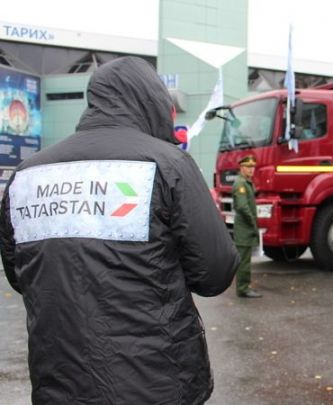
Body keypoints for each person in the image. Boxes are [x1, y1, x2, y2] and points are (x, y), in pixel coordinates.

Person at [0, 57, 240, 404]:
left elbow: (21, 276)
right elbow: (215, 274)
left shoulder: (27, 175)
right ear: (153, 102)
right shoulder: (166, 164)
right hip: (157, 384)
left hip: (58, 384)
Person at [234, 154, 262, 298]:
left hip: (246, 228)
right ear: (242, 168)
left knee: (246, 259)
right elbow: (243, 207)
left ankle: (245, 286)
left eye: (253, 167)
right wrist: (253, 223)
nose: (251, 170)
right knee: (244, 261)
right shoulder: (240, 184)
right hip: (244, 228)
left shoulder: (247, 183)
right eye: (248, 167)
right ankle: (243, 288)